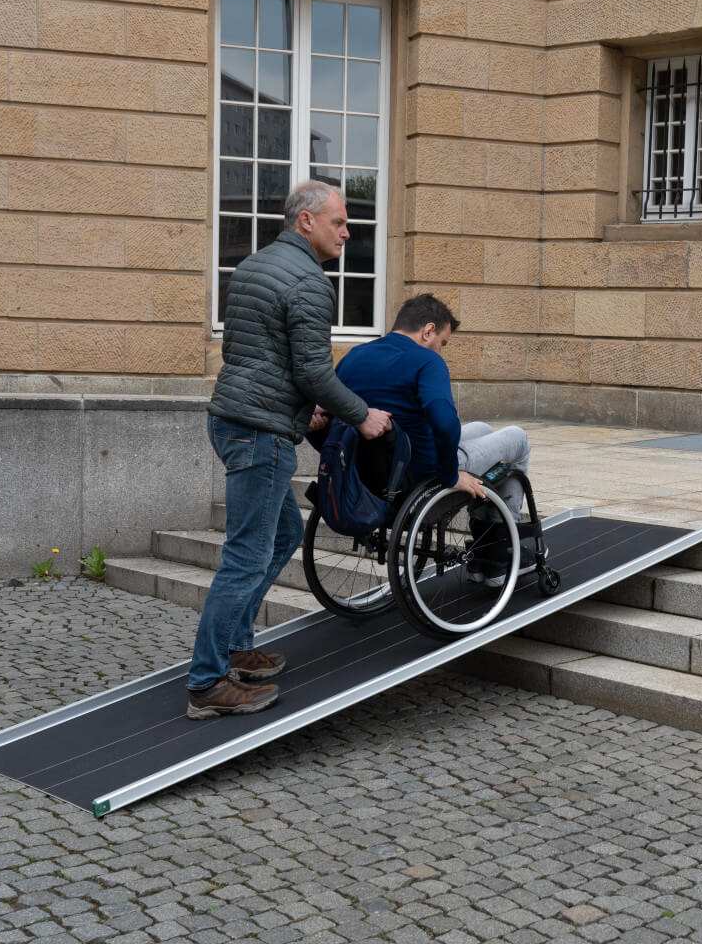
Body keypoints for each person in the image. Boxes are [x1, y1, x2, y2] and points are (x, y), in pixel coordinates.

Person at [186, 180, 392, 720]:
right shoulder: (309, 281)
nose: (348, 233)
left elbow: (248, 352)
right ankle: (208, 683)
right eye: (339, 223)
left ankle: (237, 650)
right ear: (306, 221)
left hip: (234, 418)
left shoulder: (254, 266)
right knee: (245, 556)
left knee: (279, 536)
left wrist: (308, 405)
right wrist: (360, 415)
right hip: (261, 432)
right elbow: (311, 369)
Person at [318, 293, 536, 587]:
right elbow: (445, 423)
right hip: (422, 473)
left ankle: (491, 547)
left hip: (373, 472)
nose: (440, 351)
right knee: (517, 439)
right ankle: (499, 550)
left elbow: (330, 419)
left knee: (482, 428)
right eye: (442, 343)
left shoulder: (355, 356)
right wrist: (449, 475)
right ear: (428, 330)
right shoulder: (426, 361)